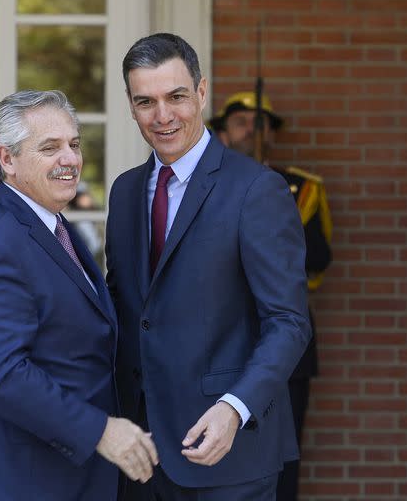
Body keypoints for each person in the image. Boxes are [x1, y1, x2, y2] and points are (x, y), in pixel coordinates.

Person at [106, 33, 311, 500]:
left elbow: (289, 322)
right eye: (146, 101)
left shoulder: (256, 190)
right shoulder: (123, 192)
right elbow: (124, 309)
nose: (162, 115)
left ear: (201, 92)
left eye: (176, 96)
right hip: (139, 455)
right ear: (131, 105)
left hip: (226, 450)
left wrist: (236, 407)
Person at [0, 89, 158, 501]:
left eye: (73, 145)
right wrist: (100, 430)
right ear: (7, 159)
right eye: (50, 147)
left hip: (56, 472)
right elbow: (2, 373)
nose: (70, 159)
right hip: (15, 476)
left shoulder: (48, 221)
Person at [210, 92, 333, 500]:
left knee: (283, 459)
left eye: (259, 123)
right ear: (223, 133)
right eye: (241, 121)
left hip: (284, 341)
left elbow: (320, 256)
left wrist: (270, 209)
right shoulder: (206, 185)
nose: (251, 130)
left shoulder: (298, 188)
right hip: (221, 340)